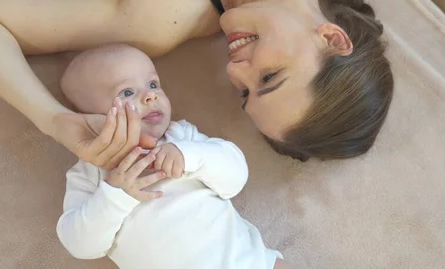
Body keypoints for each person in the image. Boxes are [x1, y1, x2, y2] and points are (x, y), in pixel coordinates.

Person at [0, 0, 417, 166]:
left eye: (244, 94)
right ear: (332, 38)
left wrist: (53, 119)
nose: (236, 71)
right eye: (269, 77)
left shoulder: (160, 15)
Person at [56, 44, 291, 269]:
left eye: (153, 84)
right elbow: (80, 245)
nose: (150, 96)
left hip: (247, 262)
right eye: (127, 92)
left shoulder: (181, 136)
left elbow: (235, 175)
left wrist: (188, 155)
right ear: (88, 119)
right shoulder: (89, 172)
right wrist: (114, 194)